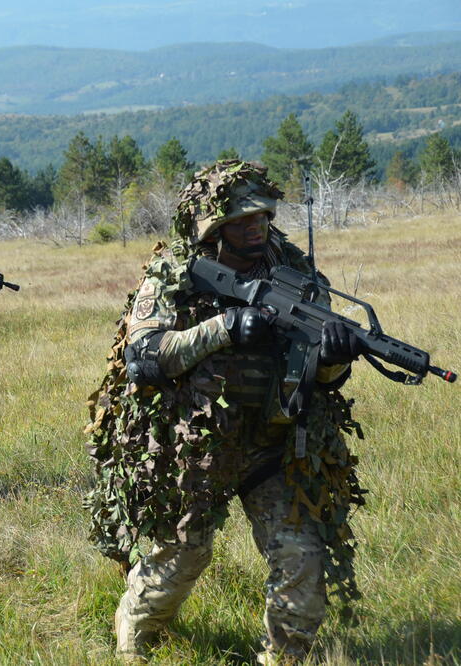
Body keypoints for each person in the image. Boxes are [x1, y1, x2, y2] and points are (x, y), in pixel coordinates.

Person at [85, 160, 366, 665]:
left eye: (263, 215)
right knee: (181, 557)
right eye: (241, 219)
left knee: (302, 558)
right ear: (211, 226)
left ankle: (282, 658)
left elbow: (324, 380)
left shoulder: (297, 273)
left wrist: (333, 358)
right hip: (196, 447)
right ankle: (133, 646)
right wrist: (224, 329)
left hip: (274, 445)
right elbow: (143, 358)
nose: (256, 226)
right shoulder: (176, 270)